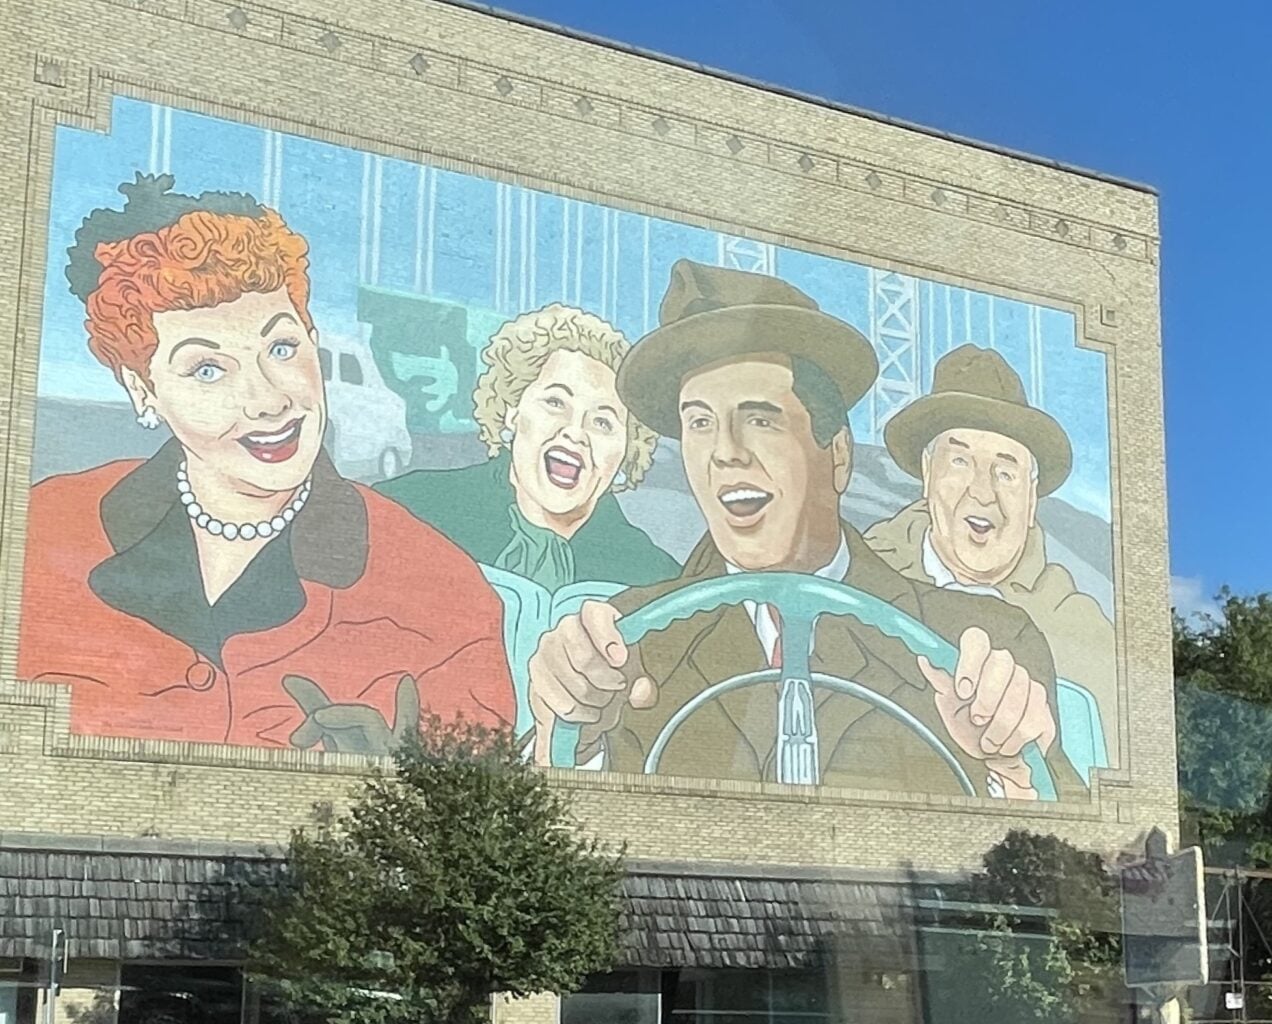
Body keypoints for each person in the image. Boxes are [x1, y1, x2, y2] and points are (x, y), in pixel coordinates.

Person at [526, 259, 1084, 801]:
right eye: (699, 423)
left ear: (837, 454)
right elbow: (542, 846)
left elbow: (1078, 860)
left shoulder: (983, 643)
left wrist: (1009, 769)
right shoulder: (627, 644)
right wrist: (572, 734)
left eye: (760, 418)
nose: (725, 453)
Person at [19, 174, 515, 753]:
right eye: (207, 369)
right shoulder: (40, 530)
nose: (269, 400)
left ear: (312, 338)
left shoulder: (442, 588)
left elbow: (484, 806)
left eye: (282, 349)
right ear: (143, 388)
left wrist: (400, 779)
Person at [863, 344, 1118, 762]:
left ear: (1032, 497)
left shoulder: (1086, 636)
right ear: (928, 475)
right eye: (960, 461)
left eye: (1004, 472)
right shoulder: (859, 580)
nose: (982, 492)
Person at [376, 303, 678, 591]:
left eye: (602, 423)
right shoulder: (409, 510)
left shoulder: (655, 577)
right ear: (512, 411)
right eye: (556, 403)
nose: (575, 432)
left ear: (627, 451)